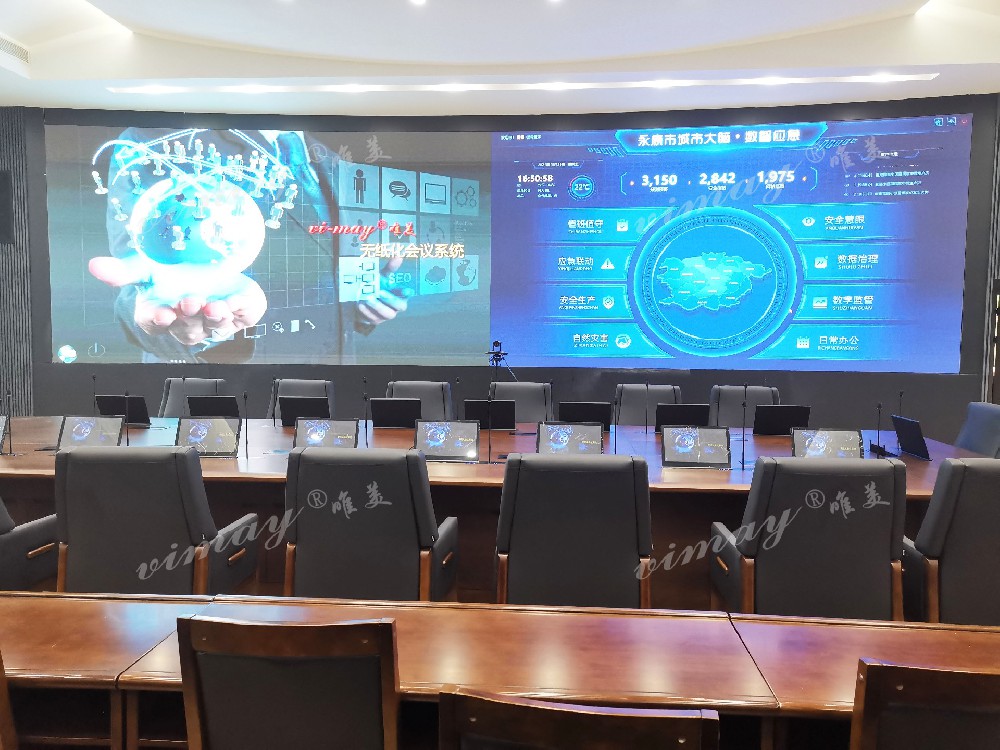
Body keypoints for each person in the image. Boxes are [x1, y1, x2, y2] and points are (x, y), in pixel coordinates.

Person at [88, 127, 408, 363]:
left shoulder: (326, 158)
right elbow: (140, 283)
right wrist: (197, 326)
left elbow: (318, 273)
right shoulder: (159, 143)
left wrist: (362, 306)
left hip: (326, 392)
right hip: (224, 399)